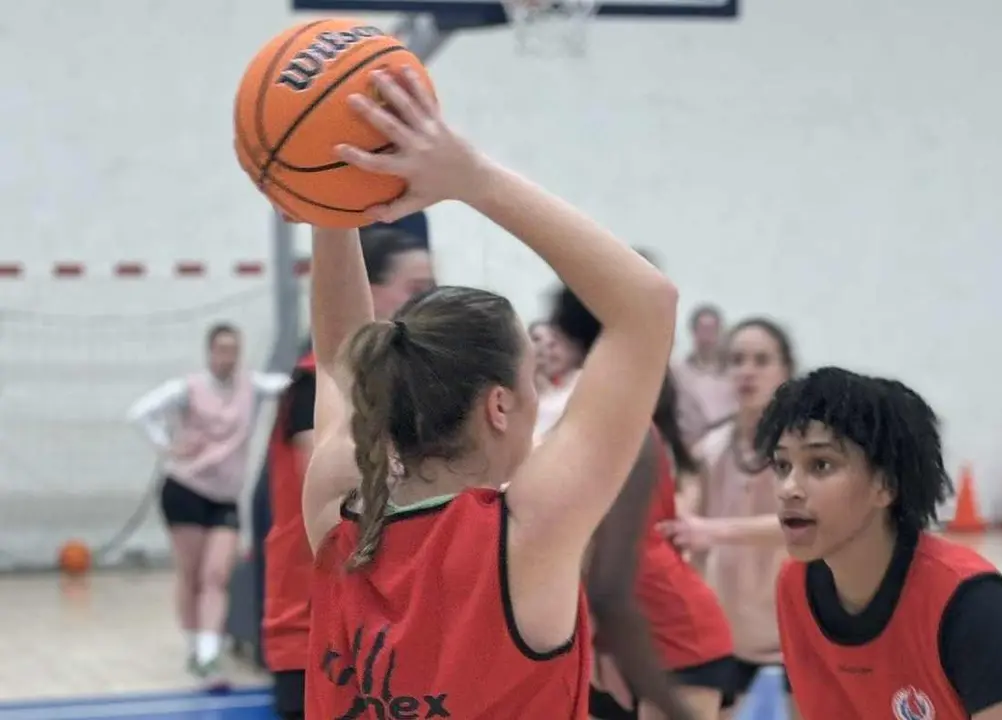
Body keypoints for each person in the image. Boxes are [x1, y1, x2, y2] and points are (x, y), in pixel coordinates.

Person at [299, 65, 678, 718]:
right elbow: (647, 302)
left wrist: (325, 197)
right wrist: (471, 178)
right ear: (499, 405)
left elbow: (339, 358)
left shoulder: (337, 516)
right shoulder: (525, 538)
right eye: (532, 376)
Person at [759, 367, 1002, 719]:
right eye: (782, 465)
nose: (788, 487)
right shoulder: (794, 587)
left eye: (820, 465)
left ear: (886, 485)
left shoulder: (969, 600)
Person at [261, 228, 435, 720]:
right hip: (316, 619)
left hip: (384, 619)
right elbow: (350, 496)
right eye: (415, 287)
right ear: (366, 289)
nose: (426, 300)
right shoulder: (317, 384)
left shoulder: (396, 386)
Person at [547, 287, 735, 720]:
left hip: (670, 631)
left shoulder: (623, 425)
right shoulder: (589, 415)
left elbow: (608, 582)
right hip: (616, 634)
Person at [126, 323, 289, 681]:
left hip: (225, 497)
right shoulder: (189, 388)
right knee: (193, 574)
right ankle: (192, 642)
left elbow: (288, 385)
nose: (227, 357)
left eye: (234, 349)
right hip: (185, 489)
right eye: (221, 349)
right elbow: (140, 412)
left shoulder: (252, 386)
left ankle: (209, 651)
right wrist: (166, 446)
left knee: (217, 574)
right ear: (210, 352)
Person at [661, 318, 799, 718]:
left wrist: (714, 531)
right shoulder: (710, 447)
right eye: (737, 360)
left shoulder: (803, 449)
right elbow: (682, 515)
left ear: (785, 370)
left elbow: (803, 522)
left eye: (761, 360)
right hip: (725, 634)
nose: (747, 371)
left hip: (788, 635)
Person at [671, 305, 736, 446]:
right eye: (703, 330)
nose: (707, 336)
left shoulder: (734, 373)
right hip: (688, 444)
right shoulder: (678, 372)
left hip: (726, 445)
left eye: (712, 330)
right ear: (693, 332)